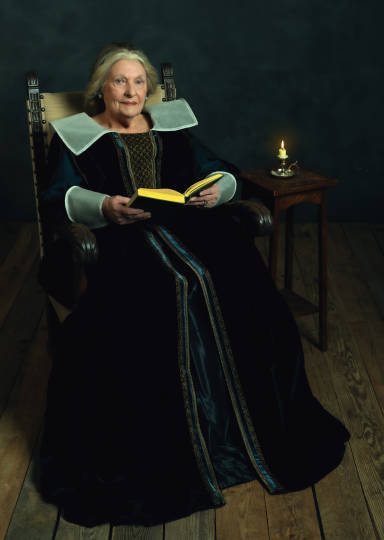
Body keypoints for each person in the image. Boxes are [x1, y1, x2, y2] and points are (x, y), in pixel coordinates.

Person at [38, 42, 349, 528]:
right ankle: (181, 438)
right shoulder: (77, 136)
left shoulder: (170, 128)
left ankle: (245, 428)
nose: (131, 91)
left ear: (149, 88)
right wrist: (104, 207)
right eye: (120, 81)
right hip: (120, 239)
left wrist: (215, 190)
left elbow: (219, 169)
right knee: (164, 289)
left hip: (184, 223)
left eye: (139, 81)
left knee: (231, 279)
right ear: (102, 88)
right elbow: (58, 195)